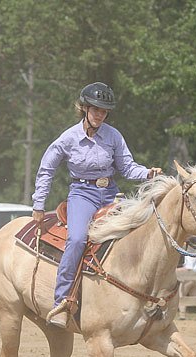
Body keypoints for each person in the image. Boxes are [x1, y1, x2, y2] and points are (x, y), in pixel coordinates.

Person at [32, 82, 161, 328]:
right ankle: (62, 301)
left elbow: (127, 167)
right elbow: (47, 168)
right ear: (84, 109)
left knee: (140, 233)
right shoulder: (68, 138)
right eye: (96, 110)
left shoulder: (113, 136)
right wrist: (39, 204)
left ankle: (147, 299)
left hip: (111, 193)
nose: (100, 115)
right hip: (82, 193)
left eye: (104, 111)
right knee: (78, 239)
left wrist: (147, 174)